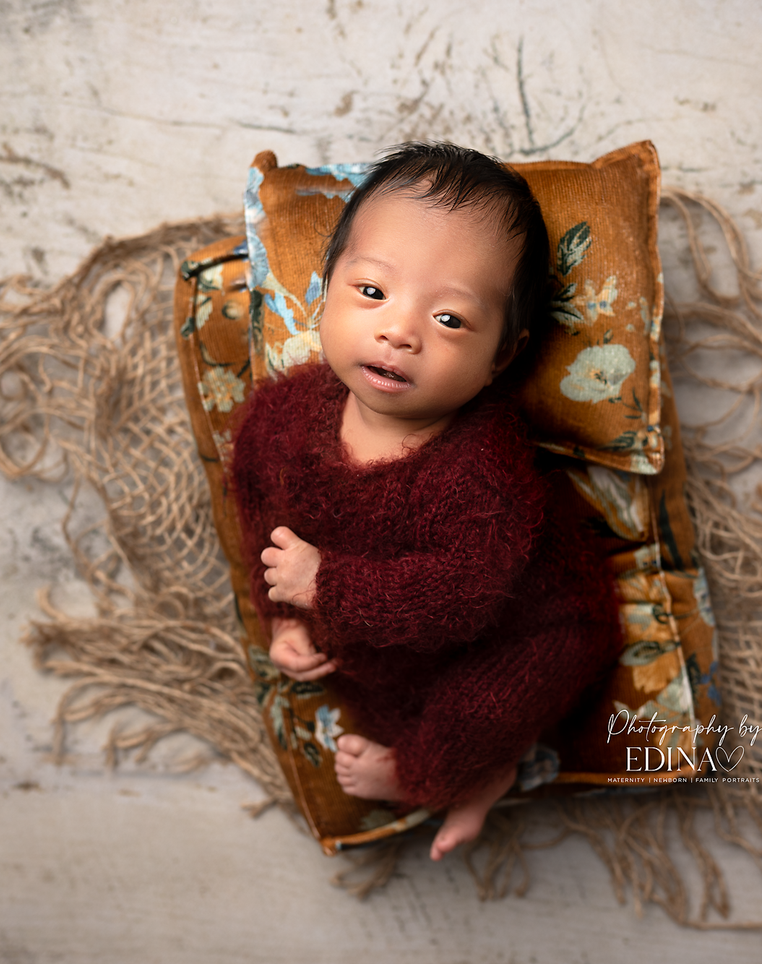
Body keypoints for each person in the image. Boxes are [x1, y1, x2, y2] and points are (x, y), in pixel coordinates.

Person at [231, 142, 623, 861]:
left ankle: (462, 778)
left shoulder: (480, 465)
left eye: (449, 320)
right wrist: (284, 614)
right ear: (325, 292)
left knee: (465, 722)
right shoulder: (281, 420)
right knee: (374, 695)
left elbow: (463, 595)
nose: (398, 332)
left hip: (529, 629)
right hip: (384, 628)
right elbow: (264, 516)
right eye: (372, 293)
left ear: (500, 357)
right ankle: (488, 766)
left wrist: (327, 585)